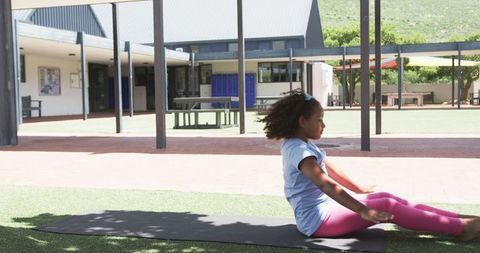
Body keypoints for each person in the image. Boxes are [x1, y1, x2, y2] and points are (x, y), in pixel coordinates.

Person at [259, 89, 480, 241]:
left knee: (386, 197)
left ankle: (455, 218)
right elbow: (325, 184)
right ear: (302, 121)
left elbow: (333, 170)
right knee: (387, 205)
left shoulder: (303, 144)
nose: (323, 124)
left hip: (326, 211)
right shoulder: (298, 150)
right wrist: (362, 209)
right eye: (319, 119)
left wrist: (360, 190)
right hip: (317, 221)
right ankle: (460, 227)